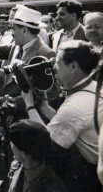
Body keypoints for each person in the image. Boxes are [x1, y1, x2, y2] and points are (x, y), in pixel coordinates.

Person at [22, 40, 103, 192]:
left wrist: (29, 105)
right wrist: (44, 107)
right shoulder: (93, 87)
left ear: (73, 66)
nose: (53, 68)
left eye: (58, 63)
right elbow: (70, 123)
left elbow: (45, 145)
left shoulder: (74, 106)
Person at [8, 119, 67, 192]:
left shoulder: (53, 188)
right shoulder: (18, 167)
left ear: (23, 154)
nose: (11, 144)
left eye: (13, 144)